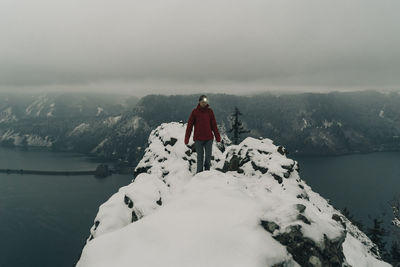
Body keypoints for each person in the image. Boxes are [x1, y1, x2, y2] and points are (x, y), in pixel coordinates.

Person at [184, 95, 221, 173]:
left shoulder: (210, 112)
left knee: (208, 158)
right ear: (199, 102)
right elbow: (189, 126)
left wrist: (217, 136)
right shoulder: (194, 112)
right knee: (200, 158)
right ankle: (199, 174)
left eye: (205, 102)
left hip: (208, 139)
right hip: (198, 139)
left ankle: (207, 173)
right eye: (202, 102)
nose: (204, 103)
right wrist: (187, 138)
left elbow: (213, 125)